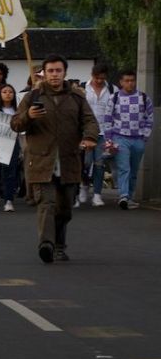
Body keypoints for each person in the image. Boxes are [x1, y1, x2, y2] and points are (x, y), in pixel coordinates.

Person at [12, 55, 98, 263]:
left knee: (65, 208)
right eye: (50, 71)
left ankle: (60, 245)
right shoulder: (32, 97)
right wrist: (29, 116)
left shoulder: (77, 97)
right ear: (44, 73)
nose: (54, 75)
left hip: (69, 160)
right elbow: (15, 124)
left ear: (65, 73)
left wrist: (88, 137)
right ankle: (46, 245)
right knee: (47, 204)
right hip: (41, 161)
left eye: (58, 71)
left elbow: (89, 121)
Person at [103, 70, 154, 210]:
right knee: (124, 168)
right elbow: (107, 120)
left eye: (132, 80)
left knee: (134, 170)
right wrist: (109, 139)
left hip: (138, 139)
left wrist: (145, 137)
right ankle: (124, 196)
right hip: (120, 138)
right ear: (121, 82)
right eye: (127, 80)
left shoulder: (144, 98)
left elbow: (149, 118)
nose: (130, 83)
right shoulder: (114, 98)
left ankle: (129, 197)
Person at [79, 63, 113, 208]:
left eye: (102, 78)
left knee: (99, 164)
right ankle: (84, 186)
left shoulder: (112, 89)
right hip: (86, 131)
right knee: (85, 162)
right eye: (97, 78)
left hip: (104, 132)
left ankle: (97, 194)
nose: (99, 81)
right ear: (92, 75)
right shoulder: (82, 87)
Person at [0, 84, 21, 212]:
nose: (8, 94)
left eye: (10, 92)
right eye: (5, 92)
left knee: (10, 173)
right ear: (0, 94)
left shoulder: (18, 110)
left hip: (11, 144)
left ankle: (8, 200)